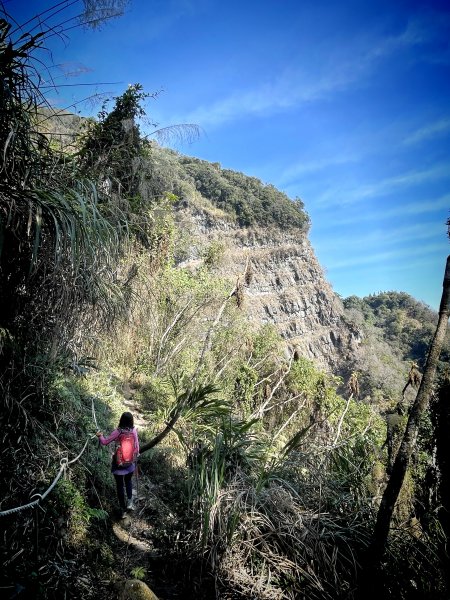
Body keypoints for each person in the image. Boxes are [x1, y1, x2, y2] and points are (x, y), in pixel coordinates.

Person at [96, 411, 139, 517]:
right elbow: (137, 448)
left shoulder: (118, 432)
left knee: (120, 486)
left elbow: (105, 442)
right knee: (128, 481)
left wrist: (100, 436)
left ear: (121, 420)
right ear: (131, 421)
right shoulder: (133, 431)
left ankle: (123, 509)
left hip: (119, 463)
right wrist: (133, 459)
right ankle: (130, 502)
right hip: (130, 464)